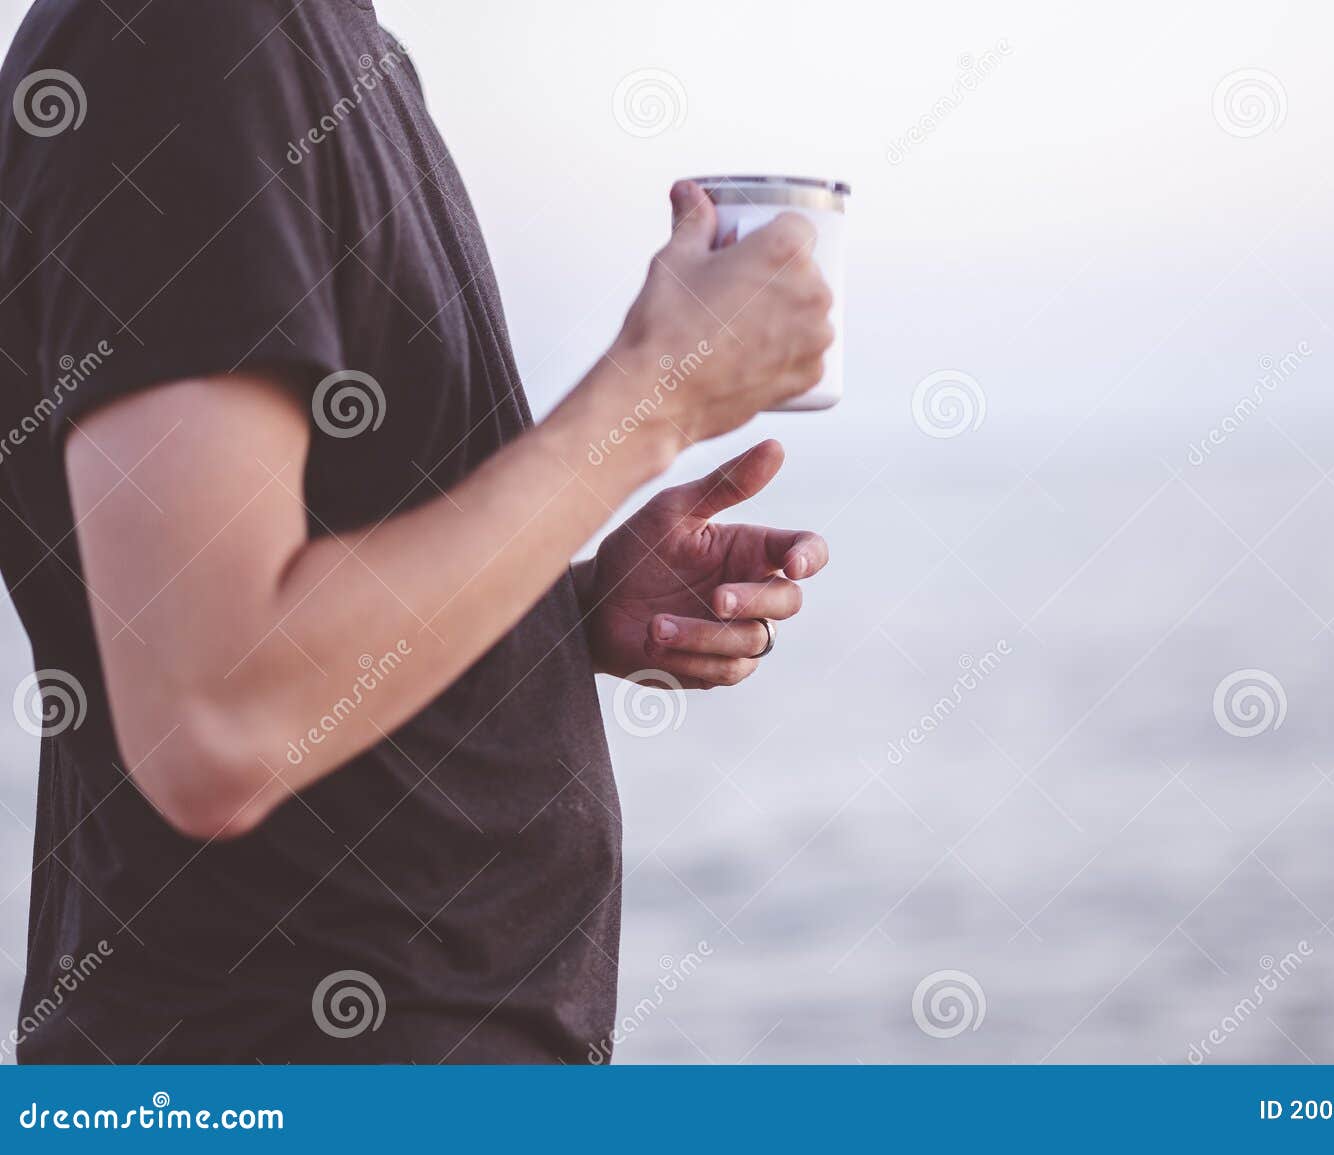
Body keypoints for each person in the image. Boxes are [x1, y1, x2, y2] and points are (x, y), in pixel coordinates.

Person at [0, 0, 832, 1063]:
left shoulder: (317, 49)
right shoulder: (192, 36)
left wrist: (552, 608)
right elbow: (215, 719)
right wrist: (654, 403)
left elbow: (284, 610)